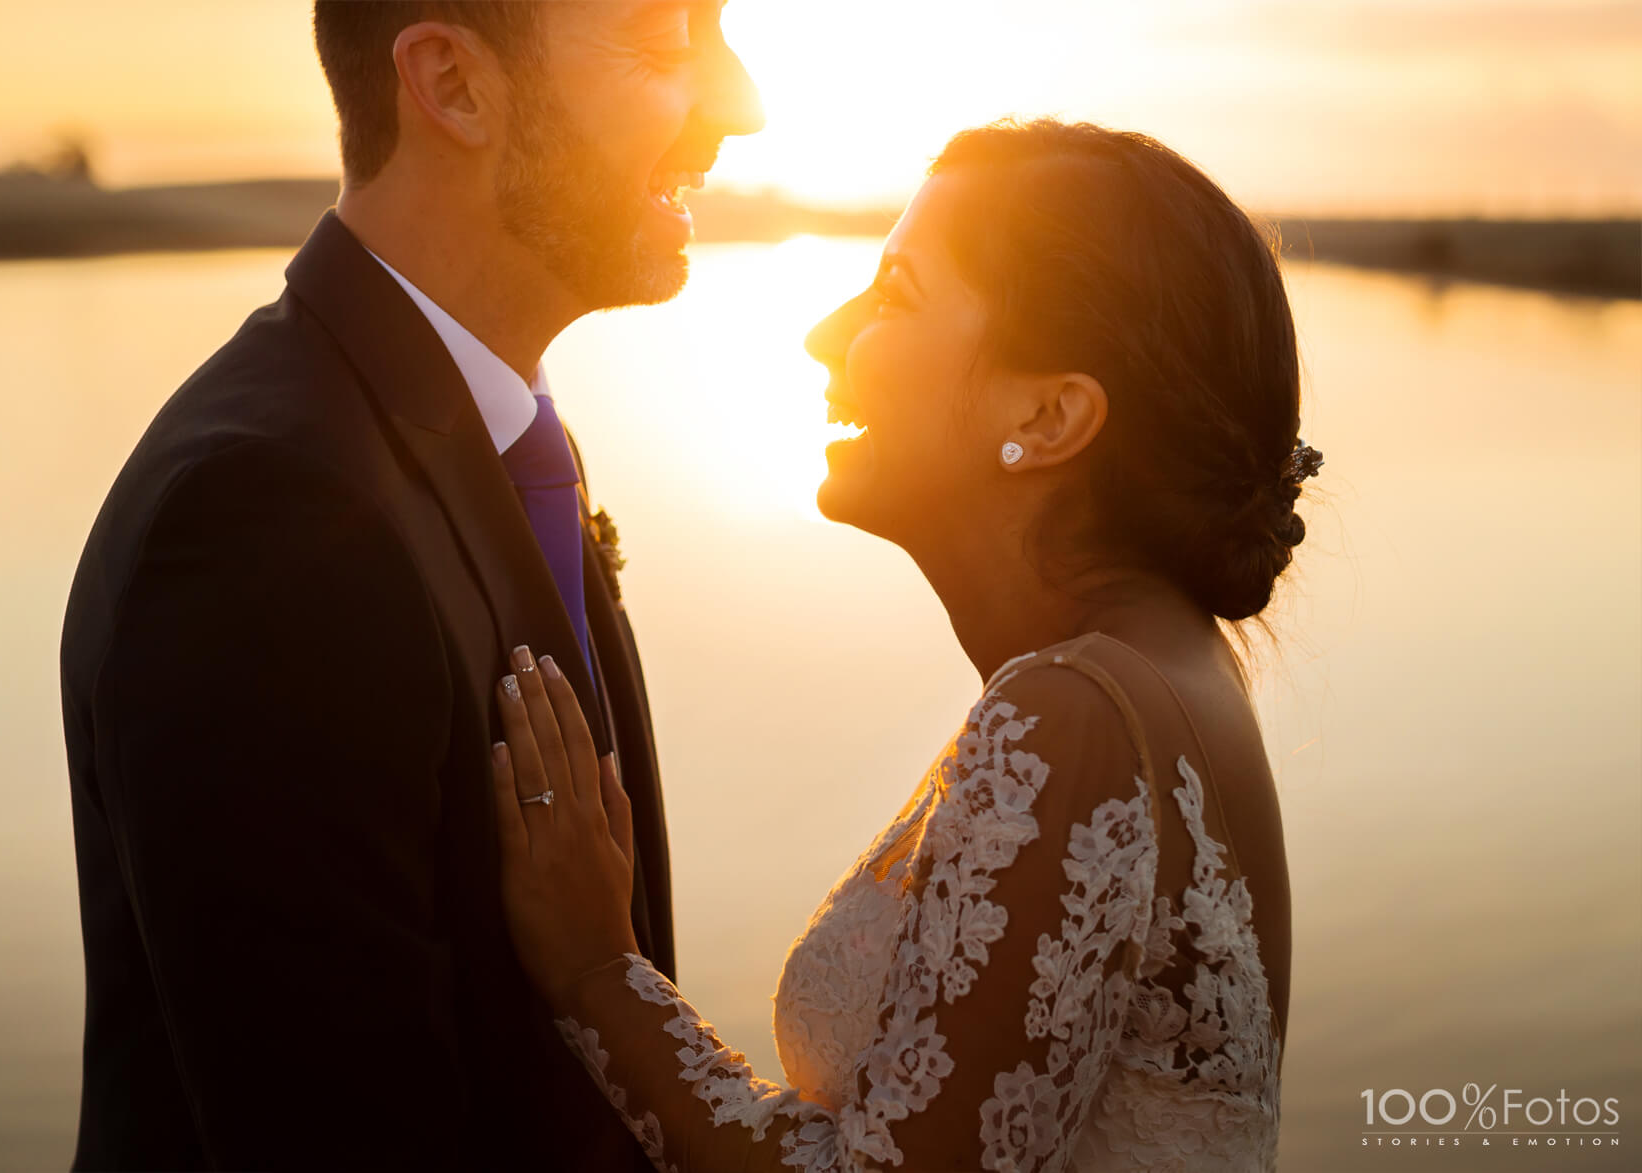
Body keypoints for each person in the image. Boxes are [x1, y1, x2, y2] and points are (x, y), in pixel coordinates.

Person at [488, 118, 1315, 1171]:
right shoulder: (1162, 670)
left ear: (1052, 414)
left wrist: (597, 973)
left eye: (895, 295)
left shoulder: (1077, 717)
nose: (824, 335)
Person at [58, 3, 761, 1168]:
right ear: (453, 83)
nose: (741, 103)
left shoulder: (477, 434)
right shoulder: (265, 517)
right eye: (663, 37)